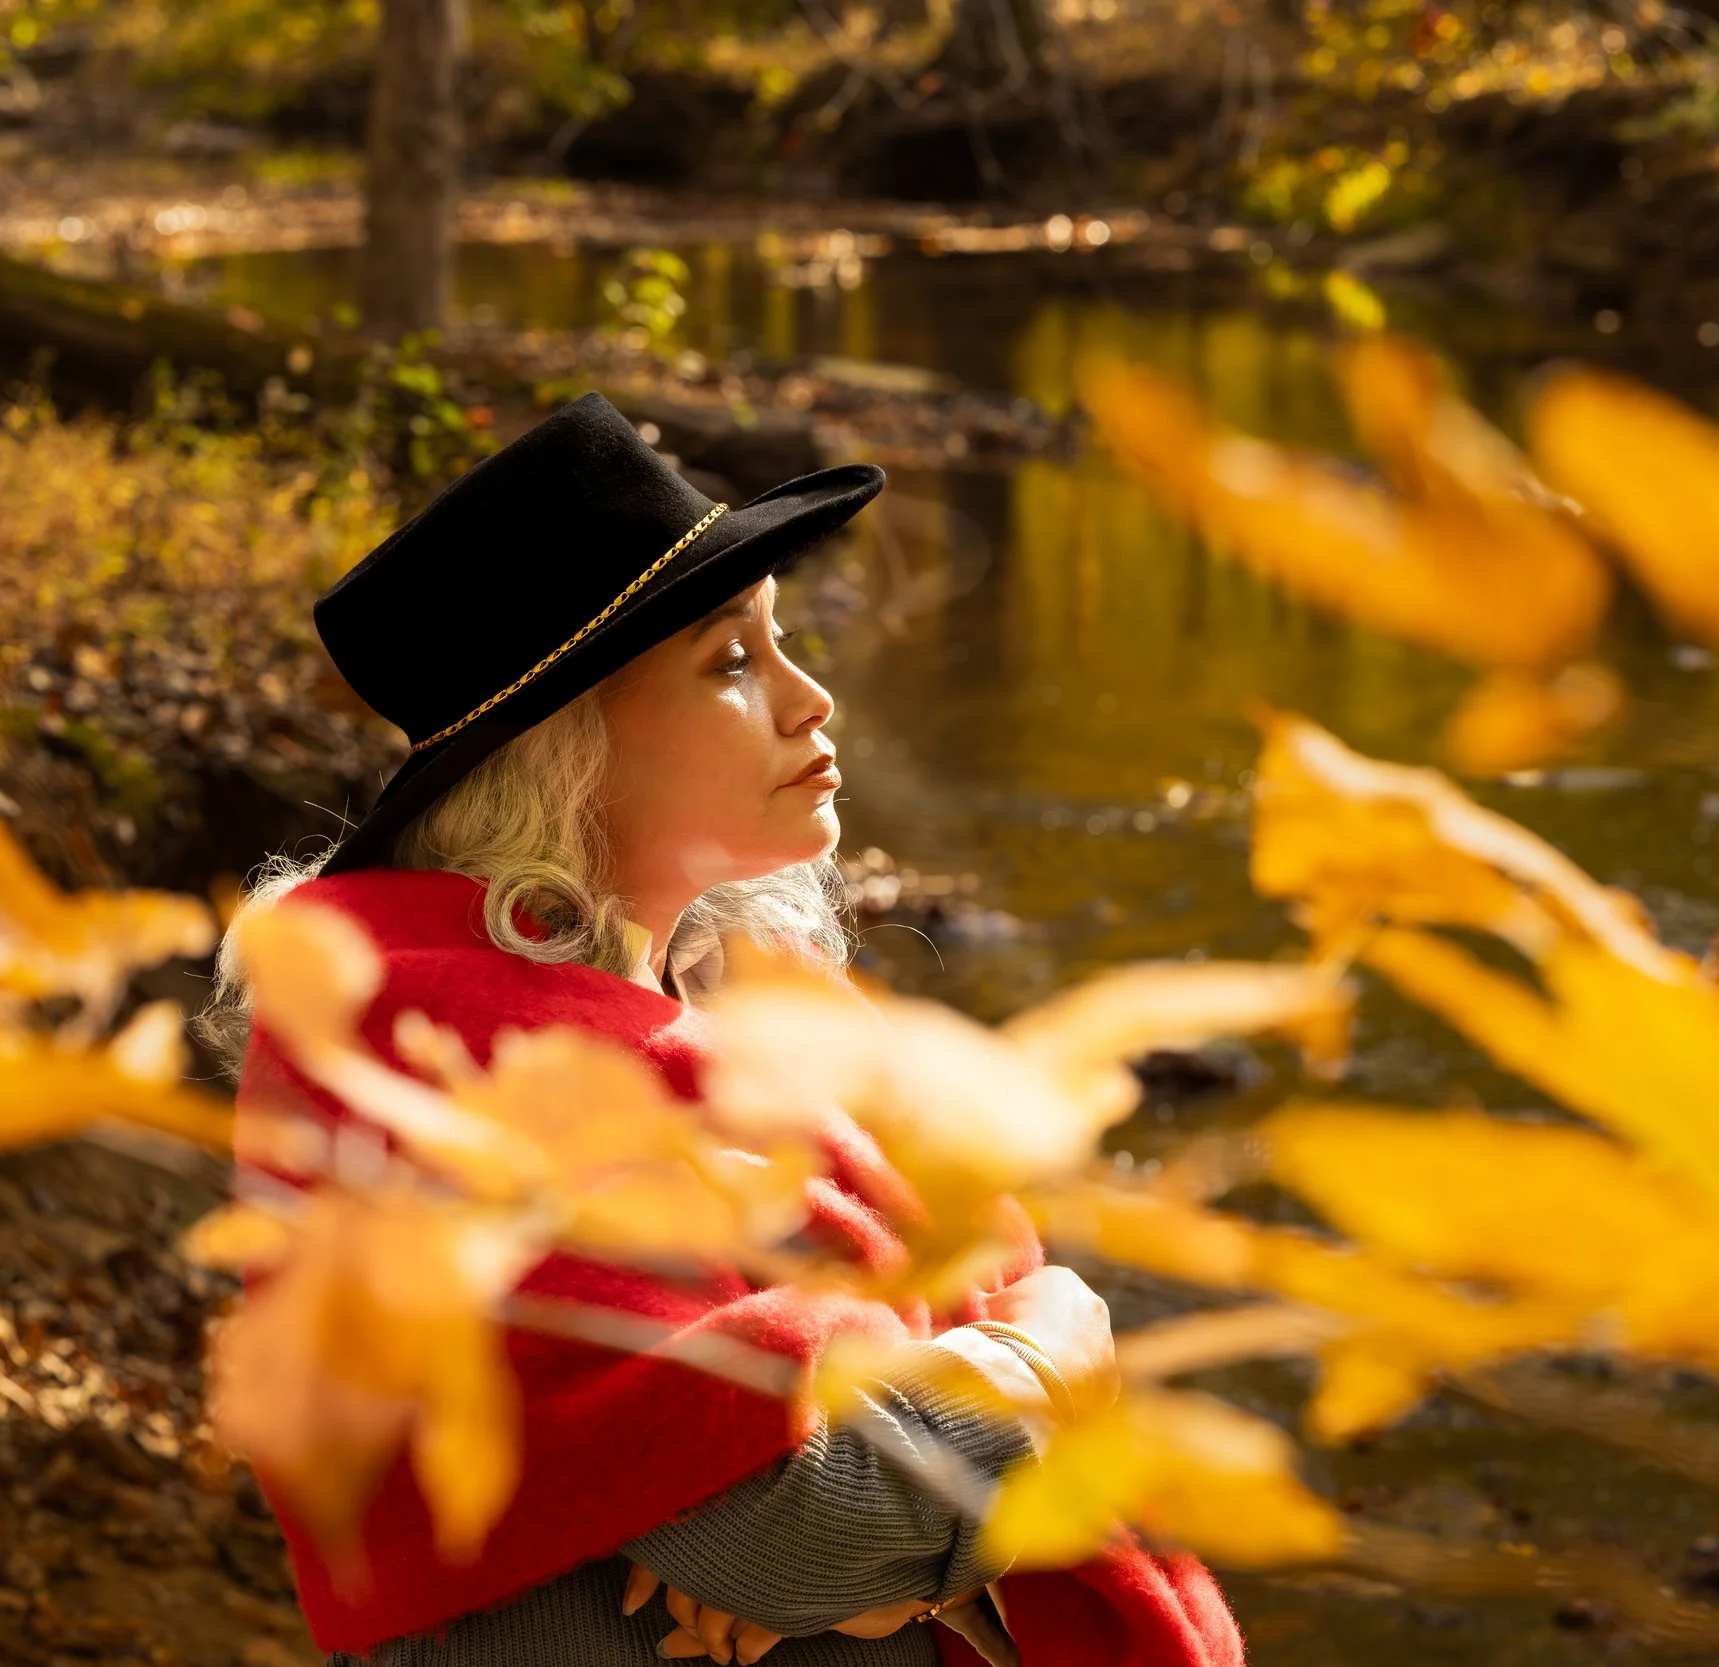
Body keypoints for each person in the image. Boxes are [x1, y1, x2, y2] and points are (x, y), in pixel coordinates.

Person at [201, 395, 1241, 1667]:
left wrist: (924, 1536)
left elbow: (839, 1487)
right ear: (561, 748)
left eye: (781, 639)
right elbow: (796, 1532)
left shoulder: (761, 1015)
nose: (812, 701)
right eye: (731, 661)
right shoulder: (453, 1060)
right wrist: (1053, 1350)